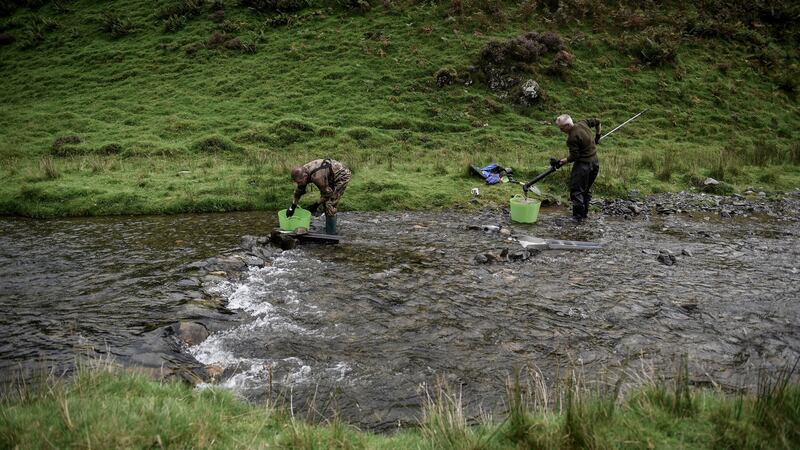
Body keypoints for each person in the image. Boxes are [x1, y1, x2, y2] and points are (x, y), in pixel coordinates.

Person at [286, 159, 351, 235]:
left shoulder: (317, 177)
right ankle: (328, 225)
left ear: (305, 176)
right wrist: (293, 206)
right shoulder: (302, 171)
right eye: (297, 182)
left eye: (299, 182)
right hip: (329, 174)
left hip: (341, 176)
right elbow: (299, 190)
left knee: (329, 203)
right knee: (325, 201)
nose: (299, 184)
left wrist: (316, 204)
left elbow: (328, 194)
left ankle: (331, 233)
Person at [555, 114, 601, 221]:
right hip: (595, 163)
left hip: (583, 166)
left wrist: (562, 161)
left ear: (567, 125)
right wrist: (598, 135)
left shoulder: (572, 138)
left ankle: (578, 218)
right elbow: (598, 121)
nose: (561, 131)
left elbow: (575, 156)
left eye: (561, 128)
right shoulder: (583, 122)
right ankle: (584, 214)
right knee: (586, 190)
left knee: (576, 191)